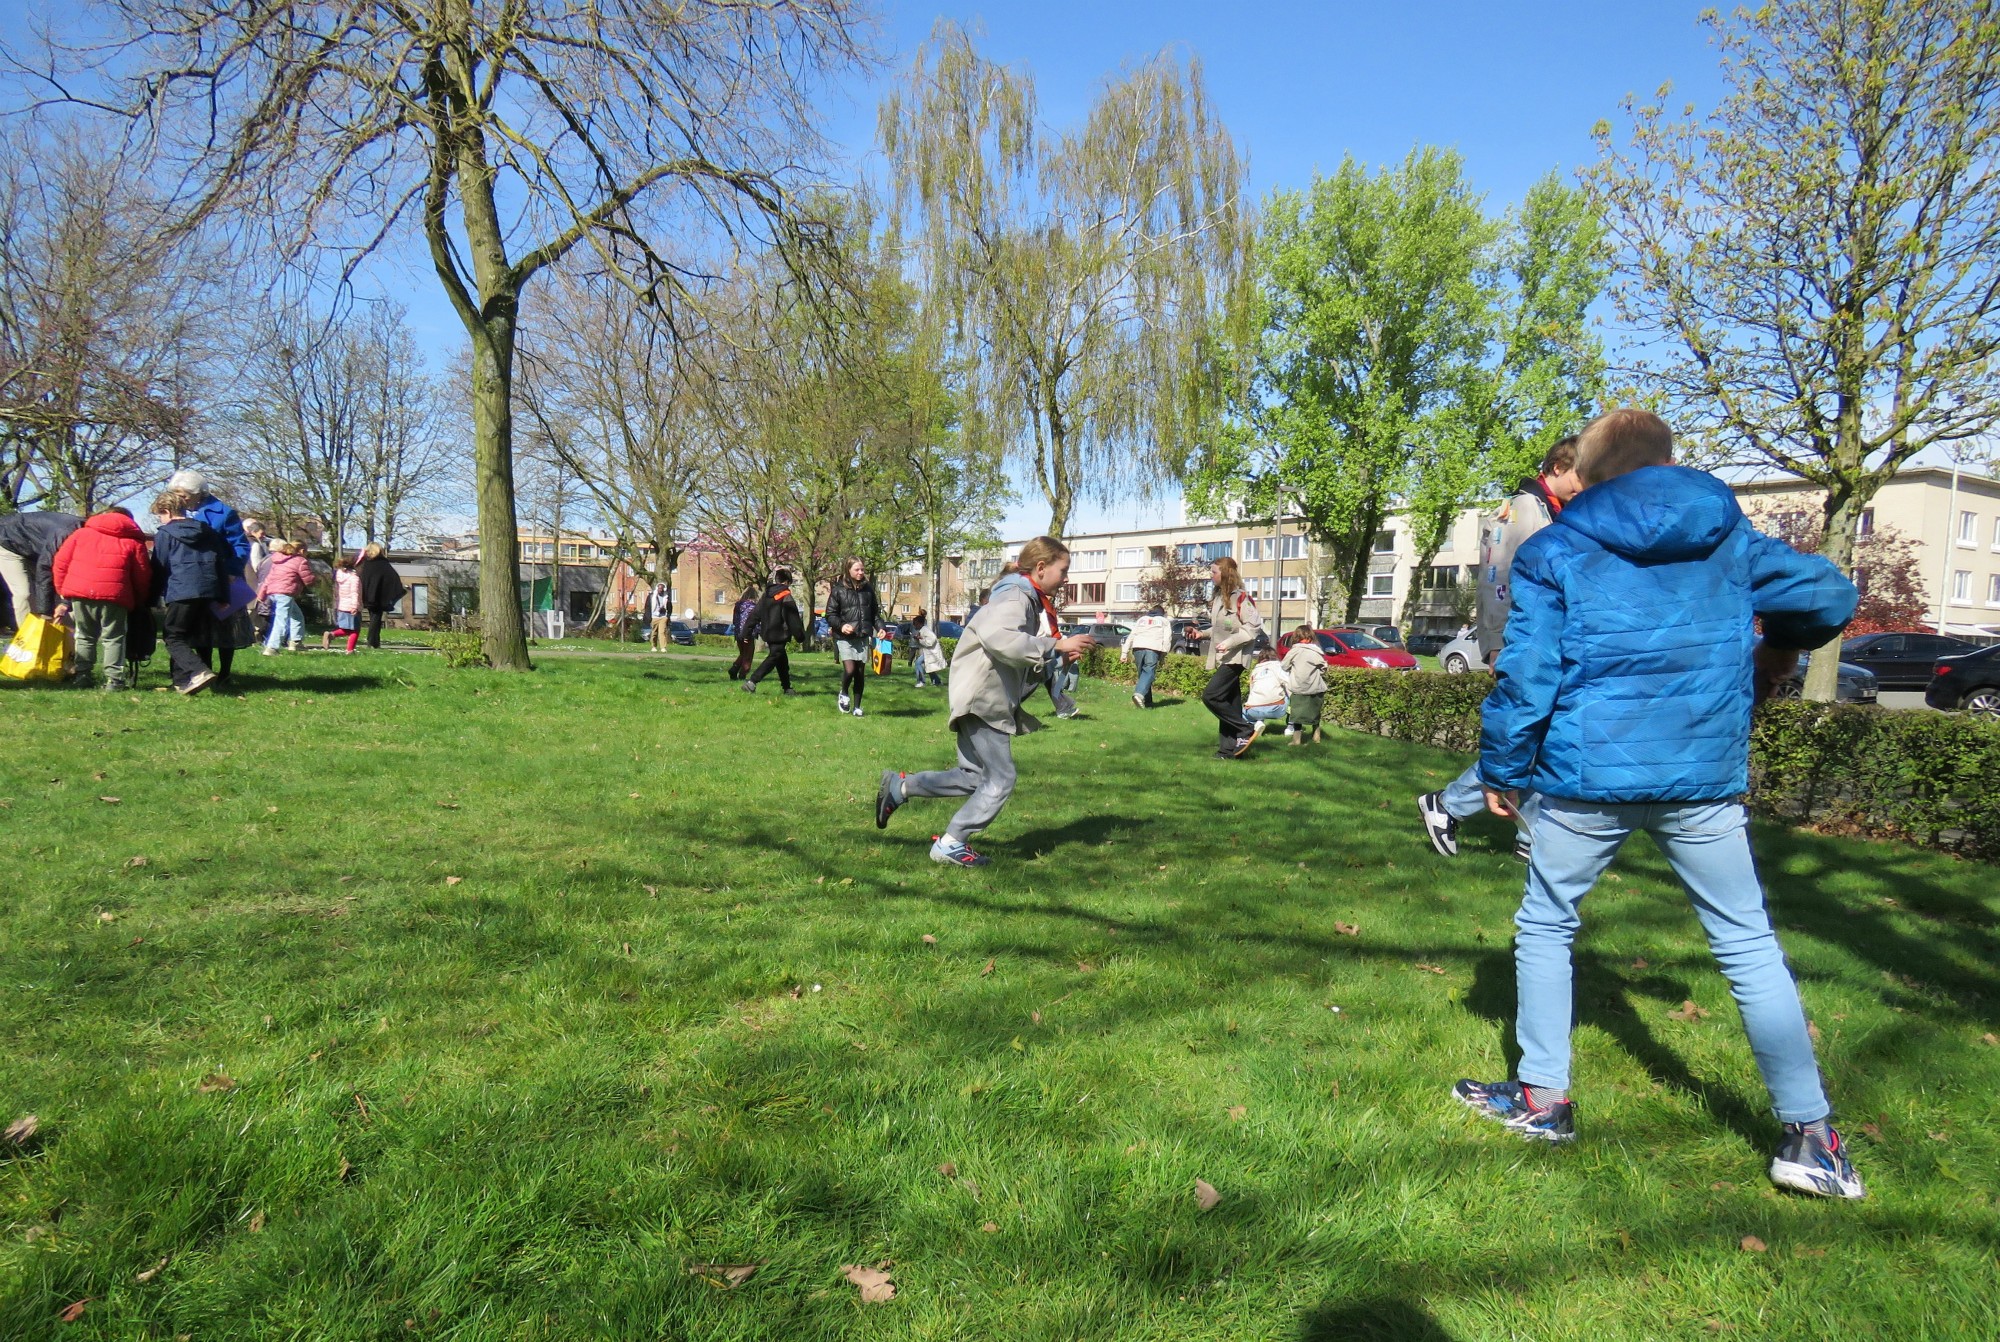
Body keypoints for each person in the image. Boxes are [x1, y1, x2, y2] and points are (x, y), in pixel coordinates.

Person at [1452, 409, 1866, 1201]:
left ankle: (1543, 1098)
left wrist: (1502, 768)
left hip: (1583, 780)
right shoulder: (1727, 538)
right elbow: (1828, 594)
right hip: (1701, 779)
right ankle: (1812, 1137)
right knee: (1747, 944)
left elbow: (1527, 672)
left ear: (1592, 471)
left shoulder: (1556, 550)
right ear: (1667, 464)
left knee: (1547, 923)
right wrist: (1778, 648)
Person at [874, 536, 1096, 867]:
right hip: (983, 698)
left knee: (973, 777)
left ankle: (900, 787)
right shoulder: (1016, 595)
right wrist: (1055, 646)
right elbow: (1002, 640)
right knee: (1001, 778)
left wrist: (1052, 662)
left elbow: (1014, 660)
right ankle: (951, 842)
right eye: (1063, 571)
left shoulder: (1022, 597)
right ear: (1040, 568)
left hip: (977, 694)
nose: (1066, 579)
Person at [1417, 437, 1583, 861]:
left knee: (1542, 738)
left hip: (1546, 641)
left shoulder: (1554, 511)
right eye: (1581, 476)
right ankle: (1450, 805)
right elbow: (1496, 580)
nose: (1586, 486)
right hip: (1522, 641)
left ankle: (1529, 836)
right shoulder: (1522, 511)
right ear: (1558, 468)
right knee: (1526, 732)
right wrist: (1495, 643)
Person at [50, 507, 152, 691]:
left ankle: (83, 675)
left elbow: (60, 562)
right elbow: (142, 575)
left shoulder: (80, 534)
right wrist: (139, 599)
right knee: (114, 637)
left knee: (85, 635)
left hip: (81, 592)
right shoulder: (133, 542)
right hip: (115, 594)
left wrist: (62, 589)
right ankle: (114, 680)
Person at [168, 470, 253, 681]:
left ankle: (224, 674)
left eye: (185, 495)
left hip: (222, 577)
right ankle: (205, 669)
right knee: (200, 628)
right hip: (194, 578)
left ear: (199, 493)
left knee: (225, 627)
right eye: (177, 494)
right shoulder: (177, 511)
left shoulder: (223, 513)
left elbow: (240, 545)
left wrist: (233, 571)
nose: (181, 499)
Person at [149, 489, 231, 695]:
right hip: (209, 588)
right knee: (194, 636)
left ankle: (198, 671)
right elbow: (221, 563)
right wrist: (223, 595)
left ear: (166, 511)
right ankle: (182, 681)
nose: (160, 519)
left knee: (173, 636)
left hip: (181, 589)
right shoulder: (208, 531)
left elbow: (159, 566)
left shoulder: (165, 534)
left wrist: (151, 598)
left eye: (160, 514)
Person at [1191, 556, 1265, 759]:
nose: (1211, 576)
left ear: (1225, 573)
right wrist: (1202, 634)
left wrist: (1229, 643)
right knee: (1229, 702)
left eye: (1214, 572)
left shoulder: (1241, 598)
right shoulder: (1218, 599)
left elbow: (1253, 628)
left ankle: (1245, 729)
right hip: (1224, 657)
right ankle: (1228, 750)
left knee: (1211, 696)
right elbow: (1220, 627)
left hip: (1236, 657)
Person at [0, 510, 82, 630]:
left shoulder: (89, 539)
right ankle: (28, 639)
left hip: (34, 548)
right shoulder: (63, 533)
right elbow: (45, 569)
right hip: (8, 542)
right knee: (24, 593)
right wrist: (46, 613)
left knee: (59, 597)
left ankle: (64, 639)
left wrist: (65, 604)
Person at [827, 557, 886, 718]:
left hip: (862, 636)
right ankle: (844, 692)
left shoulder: (868, 590)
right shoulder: (838, 590)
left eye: (862, 569)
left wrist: (881, 628)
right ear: (848, 570)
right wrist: (841, 625)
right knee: (850, 669)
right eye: (857, 570)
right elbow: (830, 614)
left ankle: (857, 707)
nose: (860, 573)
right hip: (845, 638)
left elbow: (874, 614)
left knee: (859, 672)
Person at [740, 568, 805, 695]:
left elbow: (754, 615)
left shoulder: (766, 595)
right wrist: (800, 636)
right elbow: (793, 618)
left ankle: (787, 688)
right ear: (787, 582)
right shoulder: (786, 595)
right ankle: (752, 682)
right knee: (774, 657)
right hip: (780, 633)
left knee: (781, 660)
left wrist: (746, 632)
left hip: (768, 633)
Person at [256, 539, 314, 654]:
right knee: (281, 620)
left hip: (274, 592)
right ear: (302, 550)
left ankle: (296, 642)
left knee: (297, 616)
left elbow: (268, 579)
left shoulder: (278, 561)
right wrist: (314, 580)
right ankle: (272, 647)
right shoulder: (300, 560)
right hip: (285, 593)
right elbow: (308, 579)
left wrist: (261, 595)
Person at [1279, 625, 1328, 745]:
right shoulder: (1316, 652)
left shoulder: (1294, 651)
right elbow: (1324, 667)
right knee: (1315, 712)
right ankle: (1316, 736)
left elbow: (1284, 666)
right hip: (1315, 688)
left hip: (1298, 688)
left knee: (1297, 714)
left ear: (1295, 637)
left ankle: (1296, 740)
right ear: (1311, 637)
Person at [1121, 605, 1173, 708]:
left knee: (1143, 675)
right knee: (1149, 672)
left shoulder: (1142, 619)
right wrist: (1164, 654)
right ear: (1162, 613)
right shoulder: (1164, 621)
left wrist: (1124, 653)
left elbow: (1132, 635)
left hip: (1137, 648)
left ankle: (1147, 702)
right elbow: (1167, 639)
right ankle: (1139, 695)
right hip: (1153, 648)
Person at [357, 542, 404, 649]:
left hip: (367, 595)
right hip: (379, 596)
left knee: (374, 617)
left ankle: (374, 641)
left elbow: (361, 578)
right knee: (376, 618)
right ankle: (373, 641)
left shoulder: (365, 564)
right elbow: (393, 578)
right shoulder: (384, 564)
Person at [324, 555, 362, 653]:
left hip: (342, 606)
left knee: (346, 629)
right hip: (351, 607)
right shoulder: (354, 578)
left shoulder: (339, 576)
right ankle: (349, 650)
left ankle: (331, 635)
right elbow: (355, 593)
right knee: (355, 630)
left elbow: (338, 592)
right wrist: (355, 606)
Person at [728, 585, 759, 680]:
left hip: (738, 634)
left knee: (743, 653)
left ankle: (735, 668)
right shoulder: (753, 607)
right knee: (748, 656)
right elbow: (755, 622)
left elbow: (734, 621)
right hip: (748, 634)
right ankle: (742, 674)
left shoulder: (738, 606)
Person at [910, 610, 946, 688]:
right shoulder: (923, 630)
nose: (914, 626)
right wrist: (918, 639)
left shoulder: (925, 630)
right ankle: (937, 681)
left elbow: (932, 639)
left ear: (919, 623)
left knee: (918, 663)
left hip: (932, 652)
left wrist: (920, 639)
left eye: (915, 624)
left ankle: (921, 681)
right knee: (928, 667)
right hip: (928, 652)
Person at [648, 581, 674, 650]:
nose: (660, 590)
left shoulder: (667, 597)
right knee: (654, 633)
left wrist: (667, 615)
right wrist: (648, 617)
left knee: (662, 632)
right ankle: (653, 646)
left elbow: (670, 607)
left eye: (661, 588)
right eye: (659, 588)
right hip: (654, 617)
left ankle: (663, 647)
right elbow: (647, 606)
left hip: (663, 616)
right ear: (657, 588)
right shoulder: (652, 596)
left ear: (664, 589)